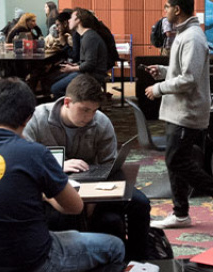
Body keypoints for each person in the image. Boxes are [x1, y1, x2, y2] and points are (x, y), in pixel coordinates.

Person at [0, 77, 124, 272]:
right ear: (28, 118)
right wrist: (44, 193)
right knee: (115, 246)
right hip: (31, 267)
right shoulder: (34, 153)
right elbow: (74, 207)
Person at [23, 74, 151, 260]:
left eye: (94, 110)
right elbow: (25, 160)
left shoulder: (100, 121)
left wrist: (96, 197)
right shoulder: (37, 119)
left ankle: (138, 261)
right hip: (52, 185)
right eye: (84, 110)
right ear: (67, 102)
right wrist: (60, 165)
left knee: (140, 203)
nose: (89, 117)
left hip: (94, 184)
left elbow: (109, 164)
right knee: (71, 216)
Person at [144, 0, 213, 229]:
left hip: (187, 111)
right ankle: (181, 214)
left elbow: (189, 80)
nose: (163, 11)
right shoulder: (185, 34)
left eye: (166, 6)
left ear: (177, 9)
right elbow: (182, 72)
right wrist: (164, 72)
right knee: (175, 162)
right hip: (178, 111)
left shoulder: (193, 37)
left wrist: (158, 89)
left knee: (177, 160)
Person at [51, 8, 109, 99]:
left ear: (78, 20)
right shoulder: (86, 36)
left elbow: (90, 64)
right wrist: (74, 65)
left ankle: (77, 107)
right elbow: (86, 61)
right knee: (55, 80)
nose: (69, 20)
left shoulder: (89, 38)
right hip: (89, 72)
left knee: (56, 89)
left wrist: (72, 68)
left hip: (92, 75)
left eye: (72, 18)